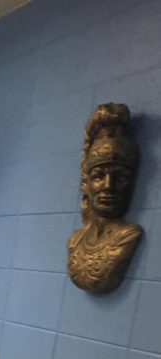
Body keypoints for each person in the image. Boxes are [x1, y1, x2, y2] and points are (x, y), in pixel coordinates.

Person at [67, 103, 142, 294]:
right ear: (87, 183)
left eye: (121, 177)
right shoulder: (75, 240)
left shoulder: (127, 236)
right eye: (99, 176)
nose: (109, 186)